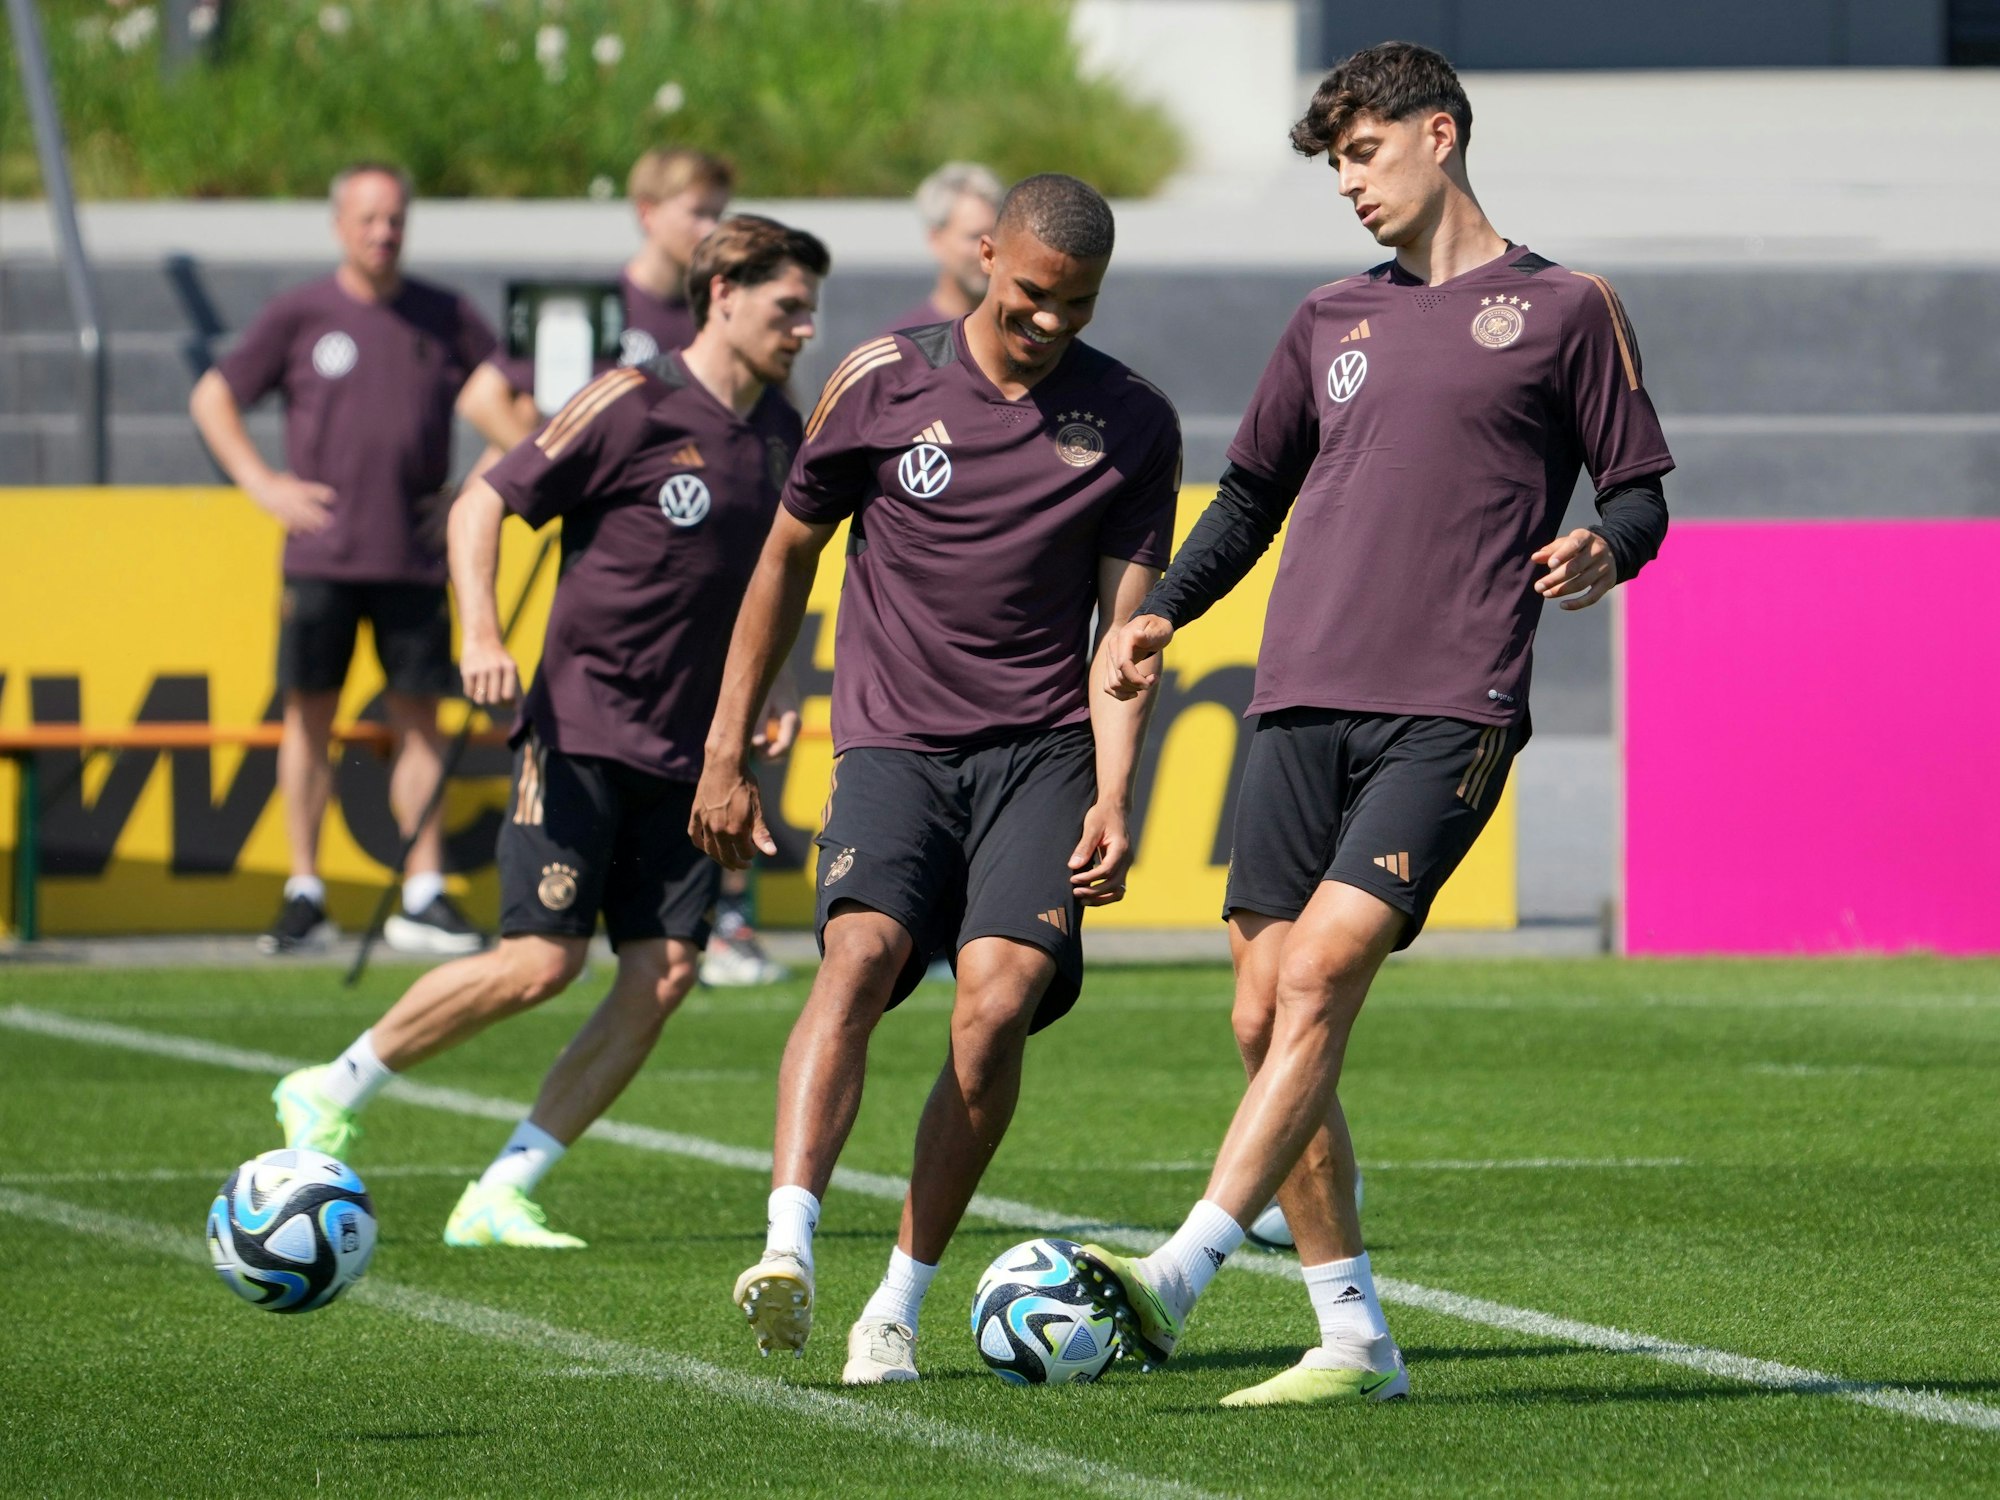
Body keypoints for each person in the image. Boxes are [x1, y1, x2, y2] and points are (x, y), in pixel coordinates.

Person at [1076, 41, 1673, 1407]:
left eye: (1362, 150)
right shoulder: (1327, 318)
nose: (1347, 181)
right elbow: (1251, 498)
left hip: (1449, 700)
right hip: (1296, 697)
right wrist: (1164, 607)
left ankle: (1183, 1268)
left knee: (1321, 974)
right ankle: (1353, 1336)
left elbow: (1639, 494)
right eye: (1334, 160)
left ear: (1441, 134)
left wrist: (1602, 552)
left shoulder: (1569, 305)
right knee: (1259, 1013)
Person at [690, 174, 1183, 1384]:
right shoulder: (878, 380)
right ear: (979, 255)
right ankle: (789, 1250)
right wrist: (725, 745)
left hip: (1040, 755)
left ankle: (895, 1305)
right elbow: (784, 561)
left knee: (996, 1002)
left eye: (1076, 304)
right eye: (1028, 295)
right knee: (857, 957)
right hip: (893, 743)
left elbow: (1123, 642)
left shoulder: (1131, 420)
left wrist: (1118, 794)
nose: (1049, 322)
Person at [268, 217, 830, 1249]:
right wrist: (480, 628)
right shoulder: (630, 400)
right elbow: (484, 501)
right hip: (581, 729)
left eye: (809, 308)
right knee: (538, 963)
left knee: (662, 974)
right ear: (722, 296)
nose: (804, 326)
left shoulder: (782, 436)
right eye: (786, 306)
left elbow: (772, 580)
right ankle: (333, 1084)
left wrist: (775, 685)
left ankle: (504, 1188)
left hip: (694, 755)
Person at [458, 147, 789, 989]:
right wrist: (564, 466)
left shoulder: (741, 350)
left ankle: (733, 916)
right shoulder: (609, 310)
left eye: (723, 209)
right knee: (541, 962)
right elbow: (485, 396)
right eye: (697, 210)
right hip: (601, 643)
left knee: (661, 963)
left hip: (691, 667)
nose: (711, 226)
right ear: (648, 213)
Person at [190, 163, 502, 957]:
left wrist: (471, 488)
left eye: (394, 218)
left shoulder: (445, 315)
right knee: (308, 719)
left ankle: (424, 890)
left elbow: (512, 404)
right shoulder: (302, 314)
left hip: (412, 557)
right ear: (339, 225)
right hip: (323, 555)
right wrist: (262, 484)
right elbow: (213, 396)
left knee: (420, 723)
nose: (382, 232)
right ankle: (306, 889)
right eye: (367, 218)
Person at [880, 161, 1005, 333]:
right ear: (936, 240)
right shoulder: (906, 347)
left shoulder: (1023, 337)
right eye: (974, 237)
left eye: (996, 236)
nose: (988, 250)